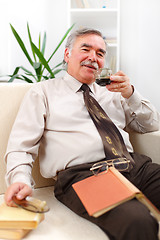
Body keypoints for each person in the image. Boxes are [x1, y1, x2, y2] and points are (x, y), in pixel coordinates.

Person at [4, 28, 160, 240]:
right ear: (67, 54)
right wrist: (20, 179)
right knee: (138, 220)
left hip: (134, 165)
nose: (93, 57)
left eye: (100, 53)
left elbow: (151, 125)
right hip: (86, 176)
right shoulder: (43, 92)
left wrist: (130, 94)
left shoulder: (113, 92)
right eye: (85, 49)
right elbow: (21, 146)